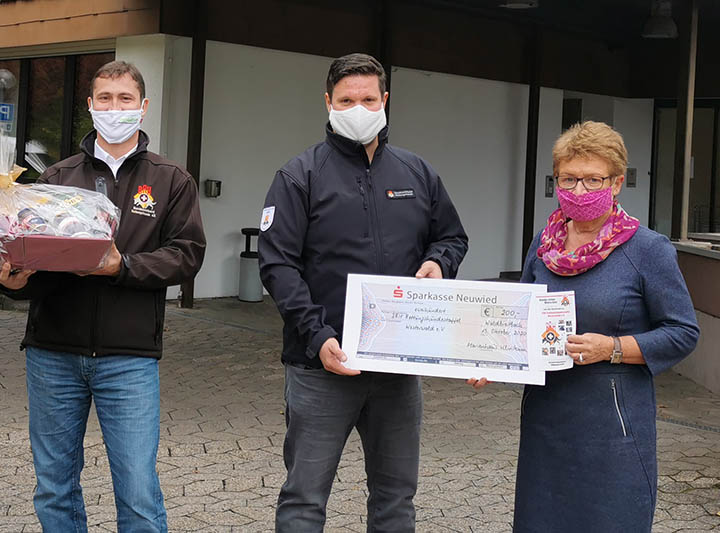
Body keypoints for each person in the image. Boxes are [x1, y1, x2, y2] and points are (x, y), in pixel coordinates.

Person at [0, 60, 206, 532]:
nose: (114, 108)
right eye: (105, 98)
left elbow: (186, 255)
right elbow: (37, 261)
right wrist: (15, 283)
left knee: (138, 490)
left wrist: (124, 266)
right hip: (52, 353)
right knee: (55, 487)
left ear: (143, 108)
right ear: (89, 106)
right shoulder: (56, 177)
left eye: (125, 100)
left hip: (130, 356)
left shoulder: (170, 179)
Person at [259, 53, 469, 532]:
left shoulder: (417, 173)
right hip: (322, 366)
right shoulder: (299, 176)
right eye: (347, 99)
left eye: (368, 98)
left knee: (396, 499)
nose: (358, 107)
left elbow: (452, 236)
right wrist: (317, 337)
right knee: (304, 500)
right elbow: (277, 266)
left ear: (385, 101)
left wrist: (439, 263)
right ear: (328, 102)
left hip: (397, 369)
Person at [503, 121, 698, 532]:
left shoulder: (647, 249)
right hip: (547, 420)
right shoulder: (543, 245)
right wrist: (490, 359)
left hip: (613, 427)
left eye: (593, 180)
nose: (579, 191)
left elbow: (682, 331)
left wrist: (611, 347)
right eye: (568, 179)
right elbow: (517, 319)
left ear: (617, 182)